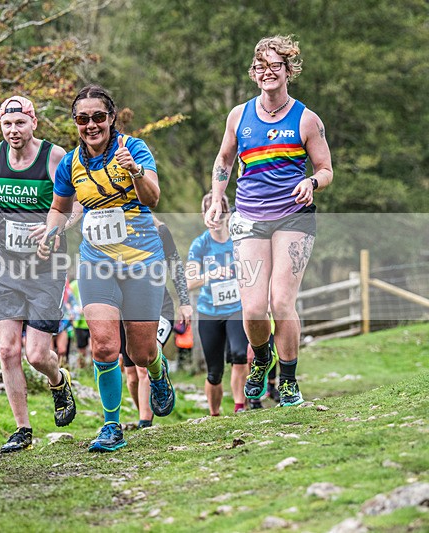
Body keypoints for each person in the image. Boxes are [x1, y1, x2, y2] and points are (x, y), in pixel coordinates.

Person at [38, 84, 174, 453]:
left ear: (112, 118)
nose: (91, 125)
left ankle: (158, 374)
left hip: (142, 259)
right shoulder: (70, 163)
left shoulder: (134, 149)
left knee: (143, 352)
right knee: (103, 345)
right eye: (83, 119)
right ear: (76, 123)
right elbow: (61, 207)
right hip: (97, 261)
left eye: (99, 117)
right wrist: (51, 230)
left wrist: (135, 172)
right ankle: (112, 424)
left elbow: (153, 197)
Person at [205, 35, 333, 407]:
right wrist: (217, 198)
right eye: (261, 66)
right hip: (249, 216)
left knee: (280, 302)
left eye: (275, 66)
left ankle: (289, 380)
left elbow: (325, 169)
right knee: (252, 307)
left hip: (293, 217)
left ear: (288, 70)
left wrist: (311, 182)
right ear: (254, 73)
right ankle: (262, 359)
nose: (268, 72)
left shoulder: (307, 119)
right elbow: (224, 160)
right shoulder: (239, 115)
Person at [0, 95, 76, 453]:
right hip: (8, 266)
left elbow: (77, 204)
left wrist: (55, 229)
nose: (13, 131)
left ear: (34, 122)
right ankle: (22, 429)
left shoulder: (55, 157)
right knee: (8, 351)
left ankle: (58, 380)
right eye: (6, 124)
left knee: (37, 355)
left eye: (19, 123)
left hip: (47, 268)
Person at [122, 218, 193, 428]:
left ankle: (145, 423)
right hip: (125, 310)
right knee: (132, 375)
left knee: (144, 364)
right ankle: (144, 411)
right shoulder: (114, 230)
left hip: (159, 307)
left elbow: (175, 265)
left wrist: (185, 302)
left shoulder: (160, 230)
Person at [188, 193, 250, 416]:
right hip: (209, 312)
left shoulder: (239, 240)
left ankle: (239, 406)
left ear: (227, 213)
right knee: (214, 372)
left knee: (240, 355)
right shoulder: (200, 244)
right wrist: (211, 274)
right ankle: (214, 415)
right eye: (209, 211)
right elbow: (189, 281)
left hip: (236, 308)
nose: (215, 215)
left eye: (219, 210)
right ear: (204, 215)